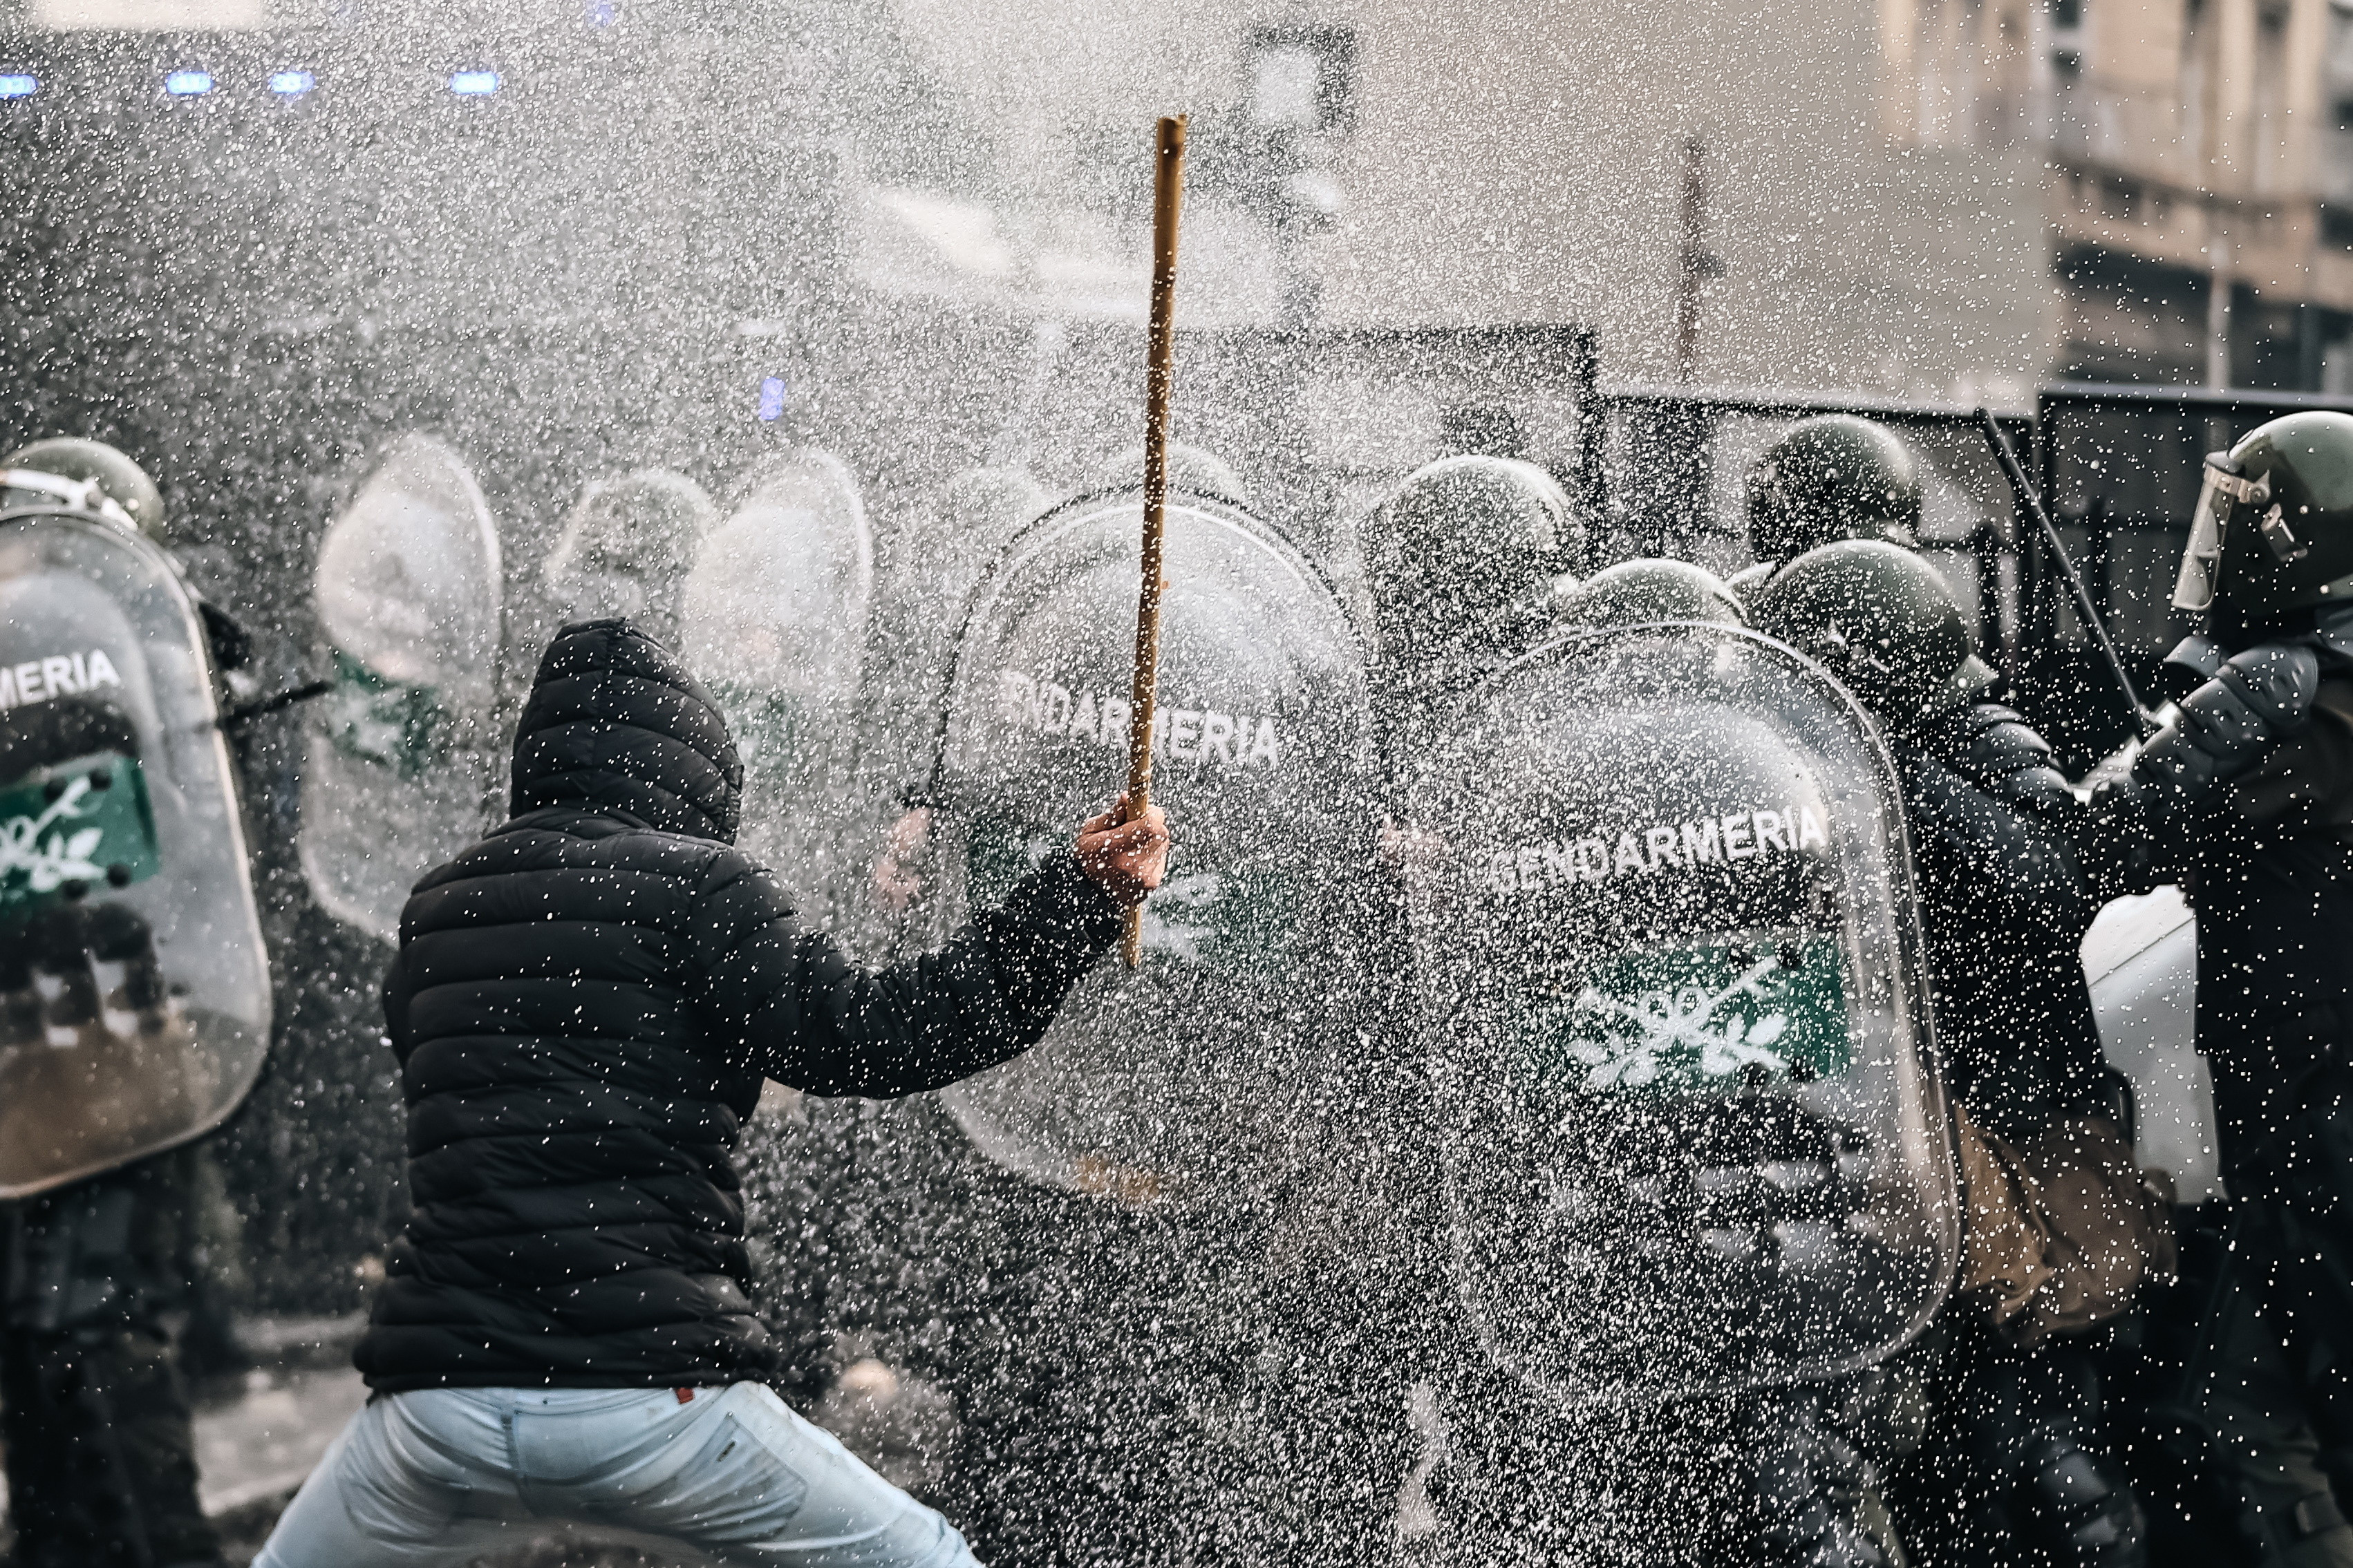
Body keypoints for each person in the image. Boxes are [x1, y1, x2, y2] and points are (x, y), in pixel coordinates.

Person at [252, 617, 1170, 1568]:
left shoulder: (437, 907)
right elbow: (879, 1034)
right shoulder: (701, 888)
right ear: (694, 769)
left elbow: (445, 1075)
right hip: (651, 1396)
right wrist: (1073, 899)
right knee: (924, 1555)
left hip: (436, 1412)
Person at [1753, 540, 2156, 1568]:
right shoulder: (1824, 772)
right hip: (1922, 1135)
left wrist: (1894, 770)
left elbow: (2051, 880)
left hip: (2015, 1144)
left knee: (2039, 1458)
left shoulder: (1973, 745)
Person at [2077, 411, 2353, 1566]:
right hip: (2310, 1115)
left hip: (2320, 1134)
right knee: (2228, 1402)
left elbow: (2100, 838)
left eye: (2236, 530)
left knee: (2268, 1412)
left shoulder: (2282, 687)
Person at [1, 437, 256, 1568]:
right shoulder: (135, 633)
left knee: (47, 1330)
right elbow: (202, 842)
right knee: (102, 1324)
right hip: (133, 1030)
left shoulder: (57, 632)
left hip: (31, 1042)